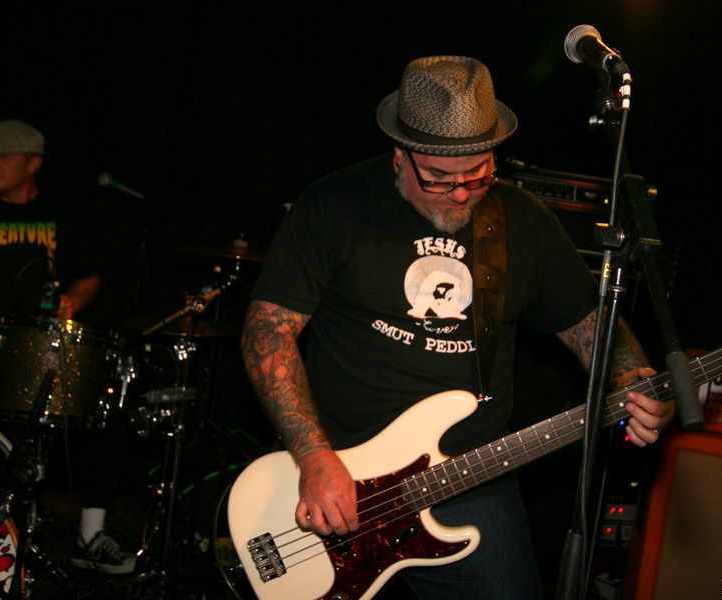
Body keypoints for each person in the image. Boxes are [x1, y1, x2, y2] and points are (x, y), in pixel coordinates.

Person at [240, 56, 674, 598]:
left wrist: (632, 380)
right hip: (340, 478)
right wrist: (312, 455)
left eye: (478, 174)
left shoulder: (523, 221)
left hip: (472, 481)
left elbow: (592, 324)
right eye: (439, 178)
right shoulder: (335, 206)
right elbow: (267, 333)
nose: (462, 193)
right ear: (399, 155)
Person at [0, 119, 136, 576]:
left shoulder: (66, 216)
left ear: (33, 164)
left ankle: (90, 538)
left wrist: (72, 302)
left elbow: (90, 281)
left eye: (2, 156)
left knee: (104, 411)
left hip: (44, 348)